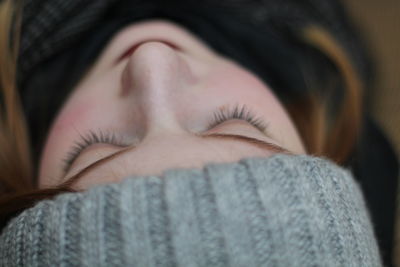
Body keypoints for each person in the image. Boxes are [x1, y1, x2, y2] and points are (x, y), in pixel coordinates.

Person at [0, 0, 397, 266]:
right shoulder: (328, 45)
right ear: (309, 138)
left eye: (94, 150)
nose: (153, 60)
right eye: (235, 124)